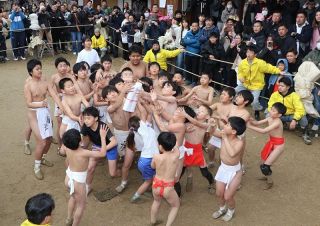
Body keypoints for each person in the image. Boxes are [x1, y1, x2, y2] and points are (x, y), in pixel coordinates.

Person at [24, 59, 64, 180]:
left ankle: (42, 158)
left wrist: (62, 108)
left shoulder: (45, 83)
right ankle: (36, 167)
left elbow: (55, 95)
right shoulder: (28, 85)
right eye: (37, 69)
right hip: (34, 114)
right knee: (41, 141)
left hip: (44, 112)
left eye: (40, 68)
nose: (40, 70)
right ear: (31, 72)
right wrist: (41, 104)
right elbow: (29, 103)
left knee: (48, 139)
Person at [63, 126, 110, 226]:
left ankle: (68, 219)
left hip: (68, 178)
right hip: (78, 183)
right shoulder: (84, 153)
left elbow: (63, 150)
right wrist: (102, 137)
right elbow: (102, 153)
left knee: (73, 197)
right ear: (80, 142)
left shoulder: (67, 147)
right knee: (81, 205)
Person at [211, 116, 246, 222]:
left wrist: (225, 138)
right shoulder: (224, 135)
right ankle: (222, 209)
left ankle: (231, 210)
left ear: (234, 131)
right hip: (223, 168)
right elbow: (212, 132)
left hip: (235, 172)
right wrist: (212, 125)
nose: (224, 126)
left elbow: (232, 153)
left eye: (227, 125)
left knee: (228, 196)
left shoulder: (239, 142)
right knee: (219, 193)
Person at [247, 102, 287, 190]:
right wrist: (249, 118)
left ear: (279, 115)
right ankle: (267, 176)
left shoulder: (277, 122)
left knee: (265, 166)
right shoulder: (270, 118)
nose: (270, 111)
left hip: (278, 146)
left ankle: (270, 182)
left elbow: (264, 131)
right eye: (271, 109)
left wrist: (249, 126)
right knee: (262, 163)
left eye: (273, 110)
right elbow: (257, 123)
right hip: (272, 142)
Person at [237, 45, 282, 120]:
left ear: (255, 54)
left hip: (256, 86)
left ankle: (258, 110)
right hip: (245, 84)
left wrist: (279, 71)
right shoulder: (243, 62)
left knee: (254, 102)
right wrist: (240, 77)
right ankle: (236, 109)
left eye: (251, 52)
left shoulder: (260, 63)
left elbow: (269, 68)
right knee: (234, 91)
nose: (248, 54)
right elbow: (240, 72)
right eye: (248, 52)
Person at [81, 107, 118, 192]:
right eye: (84, 118)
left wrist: (102, 149)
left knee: (112, 174)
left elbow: (114, 142)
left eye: (88, 118)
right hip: (97, 147)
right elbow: (80, 136)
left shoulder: (103, 126)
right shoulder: (86, 126)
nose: (86, 120)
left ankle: (120, 170)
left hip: (110, 148)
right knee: (90, 168)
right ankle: (88, 187)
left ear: (96, 118)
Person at [267, 77, 311, 145]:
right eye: (279, 85)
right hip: (280, 115)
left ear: (288, 87)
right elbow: (270, 105)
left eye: (282, 86)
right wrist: (272, 113)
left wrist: (294, 120)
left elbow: (300, 109)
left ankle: (305, 133)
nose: (279, 87)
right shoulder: (275, 94)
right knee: (268, 114)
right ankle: (281, 124)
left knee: (303, 119)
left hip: (291, 115)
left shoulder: (294, 95)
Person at [150, 132, 180, 226]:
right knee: (175, 206)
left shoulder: (156, 157)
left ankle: (153, 221)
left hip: (156, 185)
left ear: (160, 146)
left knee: (156, 201)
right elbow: (176, 146)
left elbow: (152, 166)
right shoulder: (176, 155)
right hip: (168, 187)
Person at [207, 87, 235, 168]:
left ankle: (222, 168)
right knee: (210, 148)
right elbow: (206, 110)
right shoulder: (218, 104)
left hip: (228, 133)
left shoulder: (233, 108)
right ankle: (211, 161)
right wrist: (217, 116)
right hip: (219, 131)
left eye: (224, 94)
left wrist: (221, 117)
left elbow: (231, 122)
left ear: (231, 97)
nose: (221, 96)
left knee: (223, 155)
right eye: (221, 94)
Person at [58, 78, 89, 145]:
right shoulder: (64, 101)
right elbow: (71, 115)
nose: (71, 88)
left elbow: (87, 105)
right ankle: (61, 148)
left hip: (79, 119)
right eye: (68, 87)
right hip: (68, 121)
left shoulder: (79, 96)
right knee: (65, 139)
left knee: (80, 140)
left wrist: (84, 115)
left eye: (72, 85)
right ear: (63, 90)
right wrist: (79, 119)